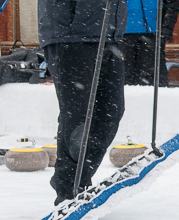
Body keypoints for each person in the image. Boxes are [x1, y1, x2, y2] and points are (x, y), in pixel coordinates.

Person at [38, 0, 127, 205]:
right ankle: (68, 186)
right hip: (71, 31)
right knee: (78, 114)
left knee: (110, 111)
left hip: (108, 33)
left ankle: (82, 177)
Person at [123, 0, 179, 86]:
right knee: (125, 76)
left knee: (152, 76)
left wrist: (167, 27)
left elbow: (173, 5)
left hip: (152, 33)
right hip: (124, 34)